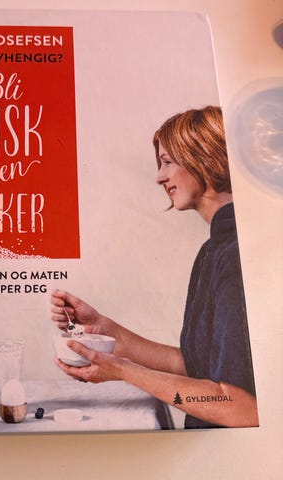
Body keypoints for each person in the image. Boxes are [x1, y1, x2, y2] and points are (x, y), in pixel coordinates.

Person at [50, 106, 258, 429]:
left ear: (203, 155)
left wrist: (123, 372)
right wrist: (106, 331)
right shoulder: (214, 251)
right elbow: (197, 367)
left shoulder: (236, 254)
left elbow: (240, 406)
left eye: (167, 162)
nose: (159, 177)